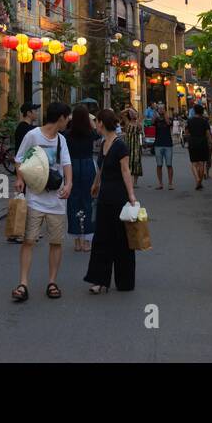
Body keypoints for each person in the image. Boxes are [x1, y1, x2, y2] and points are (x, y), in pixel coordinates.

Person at [12, 102, 73, 303]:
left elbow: (66, 164)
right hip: (35, 198)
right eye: (67, 117)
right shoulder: (32, 135)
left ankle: (52, 282)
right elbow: (19, 158)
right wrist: (19, 178)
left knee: (56, 242)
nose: (68, 121)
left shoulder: (61, 140)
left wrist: (69, 183)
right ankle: (23, 284)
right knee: (29, 240)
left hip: (56, 199)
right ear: (61, 118)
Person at [85, 108, 137, 293]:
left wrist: (131, 196)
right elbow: (101, 167)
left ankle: (124, 281)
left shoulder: (119, 145)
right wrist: (95, 183)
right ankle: (100, 280)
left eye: (96, 122)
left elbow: (125, 171)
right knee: (101, 239)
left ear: (101, 123)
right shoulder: (103, 143)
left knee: (121, 240)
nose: (95, 125)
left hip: (119, 197)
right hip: (104, 196)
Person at [65, 105, 97, 252]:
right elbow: (97, 129)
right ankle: (87, 240)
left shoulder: (67, 134)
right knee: (88, 201)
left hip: (72, 167)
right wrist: (90, 119)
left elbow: (64, 129)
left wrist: (70, 120)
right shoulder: (91, 133)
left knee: (73, 202)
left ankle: (77, 240)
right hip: (87, 165)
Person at [7, 103, 40, 244]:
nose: (36, 113)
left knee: (28, 197)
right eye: (34, 111)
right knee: (25, 198)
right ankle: (20, 232)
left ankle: (28, 231)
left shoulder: (27, 128)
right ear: (28, 113)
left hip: (28, 166)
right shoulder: (25, 129)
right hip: (25, 167)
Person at [185, 103, 212, 190]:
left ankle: (197, 179)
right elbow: (208, 134)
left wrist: (188, 139)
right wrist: (210, 143)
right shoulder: (204, 121)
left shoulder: (190, 121)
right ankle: (199, 181)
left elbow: (186, 133)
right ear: (202, 112)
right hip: (203, 142)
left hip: (192, 142)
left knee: (193, 163)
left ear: (194, 111)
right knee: (201, 163)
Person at [153, 109, 175, 190]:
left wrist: (165, 114)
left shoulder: (169, 119)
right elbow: (151, 122)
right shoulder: (157, 120)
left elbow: (169, 123)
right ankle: (160, 183)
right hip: (158, 144)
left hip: (168, 144)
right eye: (160, 108)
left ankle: (170, 183)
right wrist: (155, 114)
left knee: (169, 164)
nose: (161, 110)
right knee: (159, 165)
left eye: (162, 108)